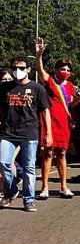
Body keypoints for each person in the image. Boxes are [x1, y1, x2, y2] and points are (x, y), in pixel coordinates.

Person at [0, 55, 52, 212]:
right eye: (15, 68)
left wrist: (49, 133)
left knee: (29, 167)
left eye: (21, 68)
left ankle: (28, 199)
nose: (18, 71)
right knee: (3, 162)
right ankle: (11, 190)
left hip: (29, 133)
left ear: (28, 69)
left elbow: (45, 111)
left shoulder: (37, 89)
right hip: (8, 132)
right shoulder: (4, 88)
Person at [34, 37, 80, 200]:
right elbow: (40, 70)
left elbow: (70, 105)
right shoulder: (50, 81)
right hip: (49, 121)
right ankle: (45, 187)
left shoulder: (70, 85)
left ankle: (63, 186)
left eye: (68, 70)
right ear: (56, 69)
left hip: (64, 123)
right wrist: (39, 55)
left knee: (62, 153)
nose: (65, 72)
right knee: (48, 153)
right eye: (63, 68)